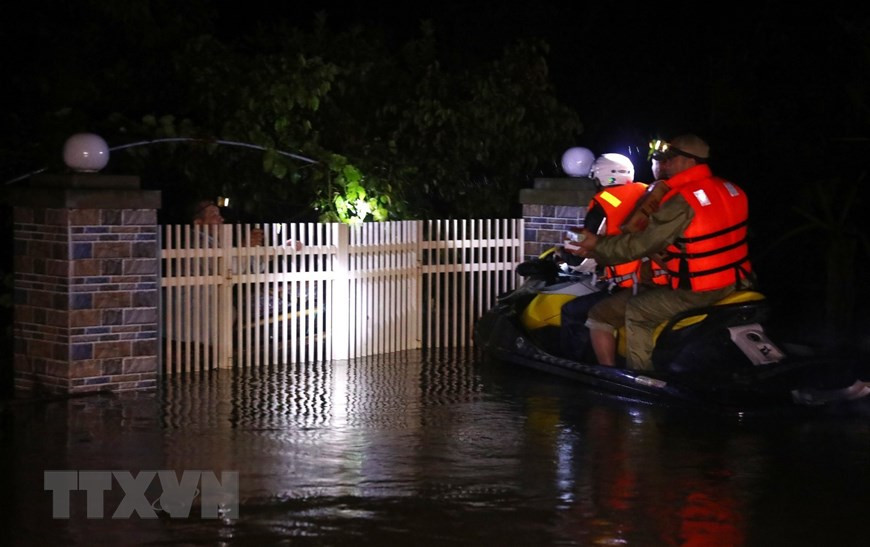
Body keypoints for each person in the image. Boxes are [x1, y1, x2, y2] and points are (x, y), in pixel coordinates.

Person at [567, 134, 754, 370]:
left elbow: (641, 245)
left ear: (690, 161)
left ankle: (641, 377)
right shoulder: (731, 188)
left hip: (699, 291)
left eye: (669, 159)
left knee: (637, 311)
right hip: (737, 280)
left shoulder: (681, 199)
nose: (663, 164)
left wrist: (596, 245)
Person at [559, 153, 667, 361]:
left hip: (630, 284)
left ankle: (578, 366)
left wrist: (568, 257)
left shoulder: (603, 203)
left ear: (601, 176)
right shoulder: (647, 192)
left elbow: (585, 253)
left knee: (572, 311)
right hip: (658, 277)